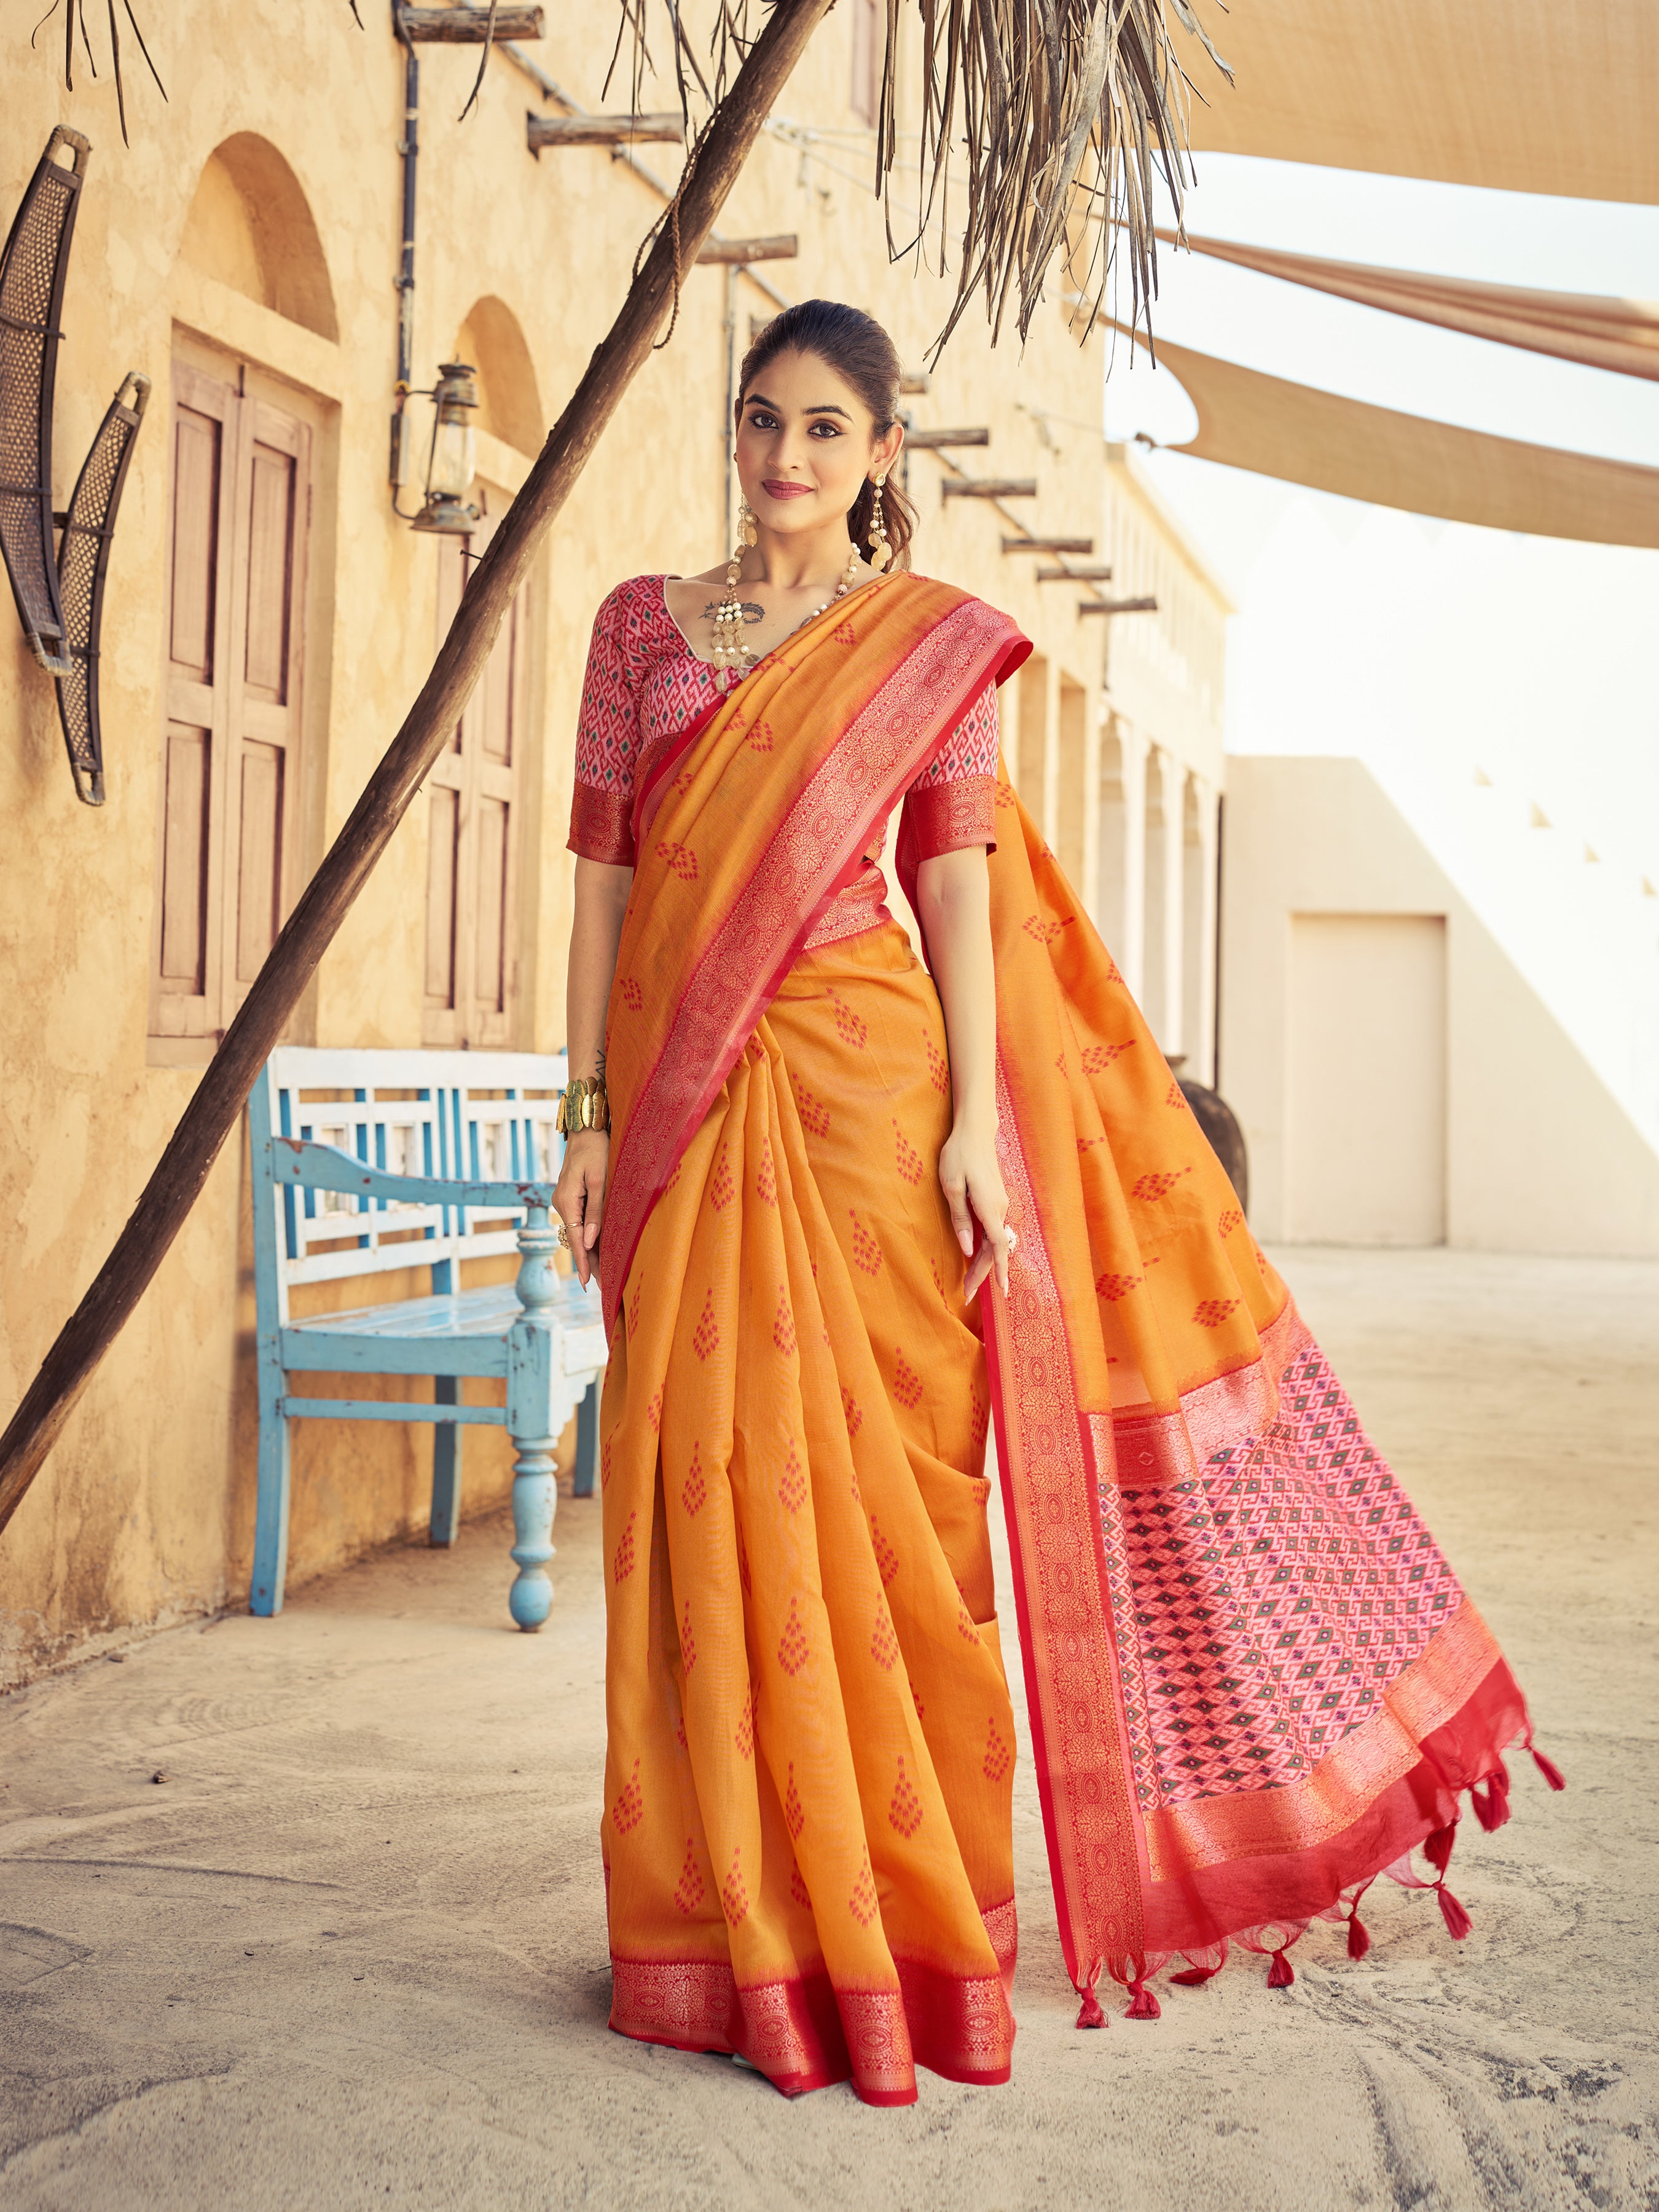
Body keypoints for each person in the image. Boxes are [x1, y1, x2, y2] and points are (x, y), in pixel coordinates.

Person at [552, 300, 1556, 2108]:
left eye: (823, 431)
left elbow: (950, 885)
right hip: (684, 1116)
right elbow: (606, 887)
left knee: (887, 1529)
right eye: (761, 420)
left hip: (866, 1095)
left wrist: (965, 1125)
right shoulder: (642, 630)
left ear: (879, 461)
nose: (783, 458)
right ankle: (721, 1932)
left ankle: (902, 1928)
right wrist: (583, 1111)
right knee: (695, 1489)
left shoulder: (917, 651)